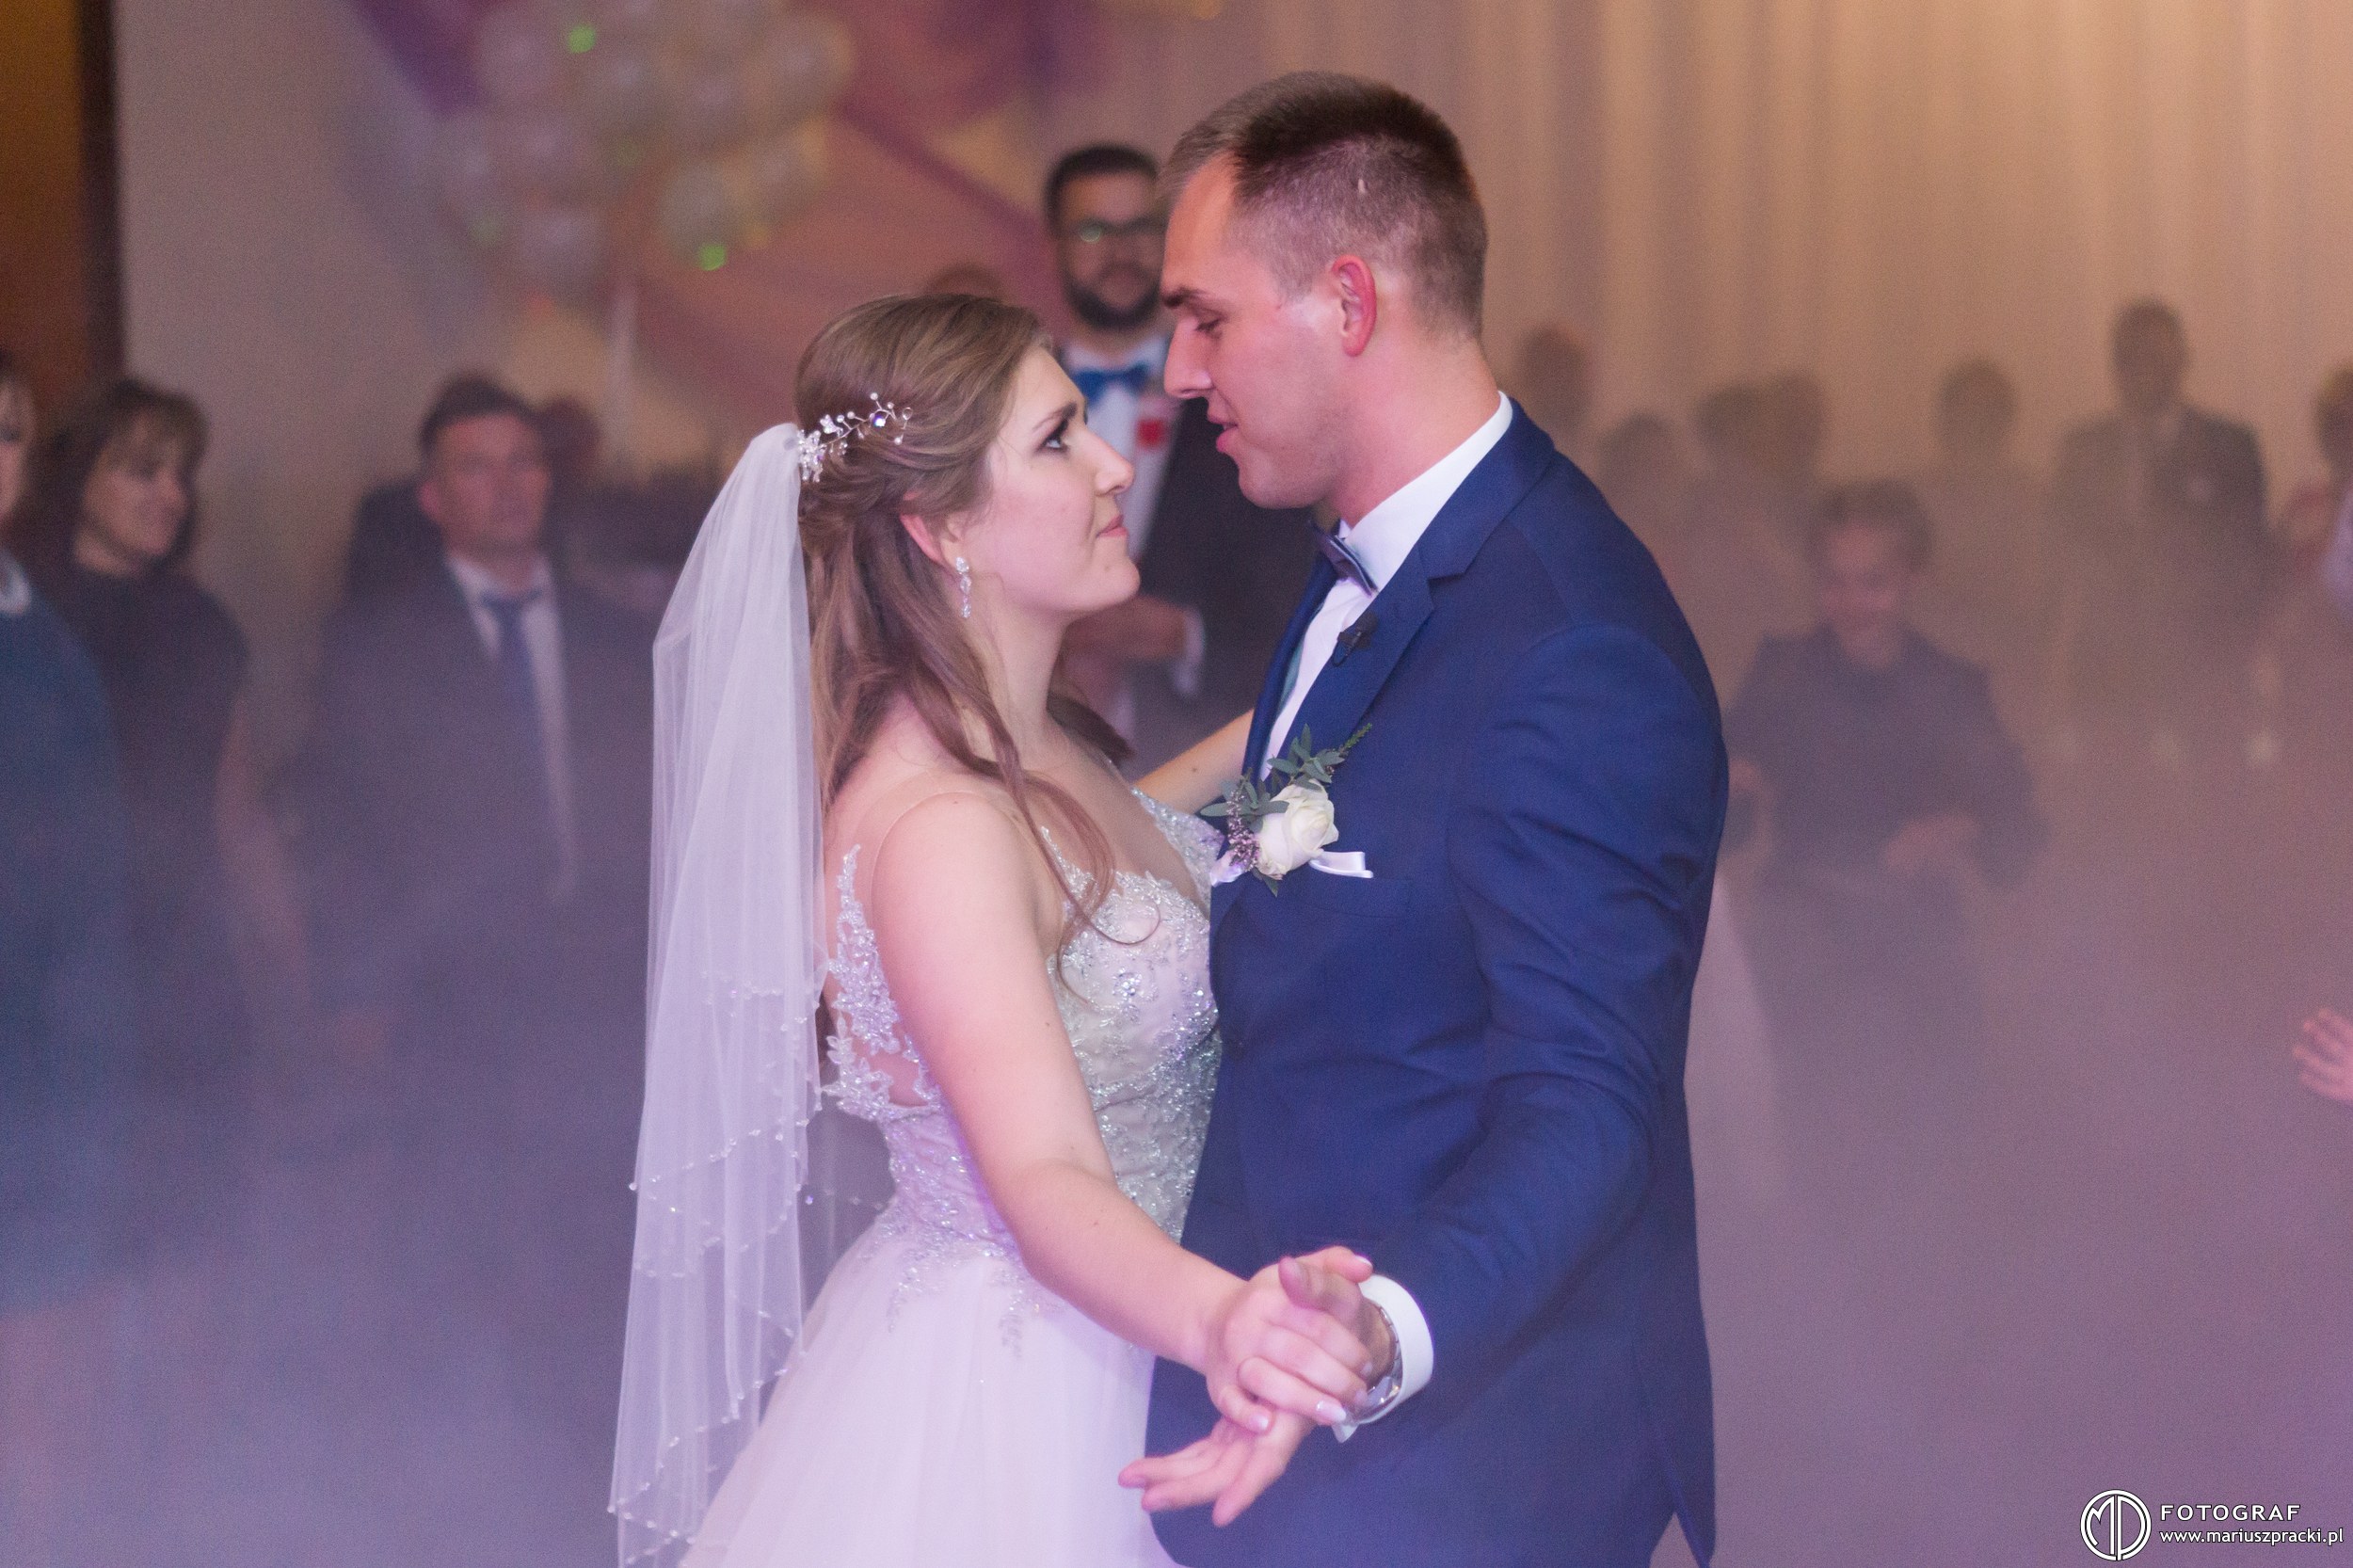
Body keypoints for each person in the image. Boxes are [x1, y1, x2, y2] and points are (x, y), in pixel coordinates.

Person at [611, 294, 1376, 1567]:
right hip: (1035, 1404)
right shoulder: (940, 828)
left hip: (1122, 1335)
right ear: (940, 525)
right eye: (1058, 439)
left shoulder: (1029, 747)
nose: (1113, 466)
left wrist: (1323, 699)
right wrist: (1228, 1324)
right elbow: (1044, 1176)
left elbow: (1117, 850)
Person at [1129, 73, 1723, 1567]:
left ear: (1348, 301)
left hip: (1468, 1476)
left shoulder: (1572, 644)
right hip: (1283, 1439)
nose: (1180, 373)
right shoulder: (1367, 561)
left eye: (1206, 319)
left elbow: (1590, 1101)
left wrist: (1375, 1332)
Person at [295, 375, 652, 1436]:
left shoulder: (616, 635)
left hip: (596, 987)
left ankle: (582, 1453)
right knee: (457, 1245)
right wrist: (352, 989)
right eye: (477, 467)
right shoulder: (378, 643)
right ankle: (459, 1464)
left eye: (523, 462)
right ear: (432, 495)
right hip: (447, 997)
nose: (506, 486)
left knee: (594, 1242)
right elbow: (343, 827)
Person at [12, 378, 311, 1257]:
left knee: (195, 1229)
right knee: (66, 1245)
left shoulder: (200, 623)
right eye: (142, 471)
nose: (169, 495)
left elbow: (236, 812)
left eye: (182, 475)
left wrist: (290, 974)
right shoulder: (31, 619)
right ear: (79, 478)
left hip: (183, 957)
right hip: (57, 968)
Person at [1043, 142, 1320, 773]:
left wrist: (1183, 636)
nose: (1120, 251)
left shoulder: (1249, 396)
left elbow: (1297, 604)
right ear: (1053, 245)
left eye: (1142, 227)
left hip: (1206, 761)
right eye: (1093, 231)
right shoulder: (1001, 411)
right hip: (1038, 757)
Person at [0, 355, 139, 1566]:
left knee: (39, 1436)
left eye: (5, 433)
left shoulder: (47, 654)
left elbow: (94, 907)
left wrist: (90, 1123)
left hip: (35, 1107)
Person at [2049, 300, 2271, 766]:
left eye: (2158, 357)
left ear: (2184, 361)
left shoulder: (2231, 447)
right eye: (2131, 357)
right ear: (2115, 366)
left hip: (2206, 665)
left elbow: (2251, 556)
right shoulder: (2083, 450)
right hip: (2109, 668)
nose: (2145, 370)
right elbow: (2060, 549)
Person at [1509, 321, 1593, 464]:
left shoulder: (1601, 450)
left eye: (1570, 367)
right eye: (1553, 368)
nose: (1563, 379)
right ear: (1531, 375)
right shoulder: (1510, 444)